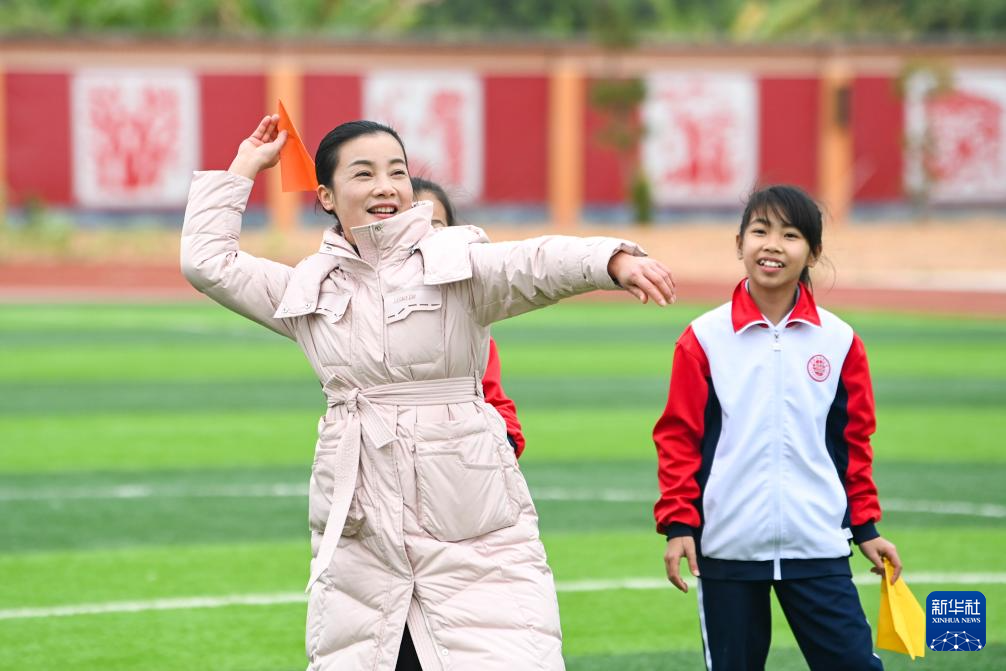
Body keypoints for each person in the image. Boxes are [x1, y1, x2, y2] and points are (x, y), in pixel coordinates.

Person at [181, 114, 675, 671]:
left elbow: (534, 263)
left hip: (471, 528)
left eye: (397, 172)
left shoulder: (457, 262)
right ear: (326, 196)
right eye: (363, 174)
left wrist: (611, 259)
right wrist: (245, 165)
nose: (386, 186)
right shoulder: (309, 288)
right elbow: (208, 263)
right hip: (363, 540)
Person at [653, 185, 902, 671]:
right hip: (728, 546)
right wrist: (679, 524)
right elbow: (679, 439)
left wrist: (865, 527)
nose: (772, 245)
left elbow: (852, 444)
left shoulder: (840, 341)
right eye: (760, 231)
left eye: (790, 235)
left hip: (818, 543)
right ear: (739, 242)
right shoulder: (703, 338)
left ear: (813, 251)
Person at [411, 175, 524, 456]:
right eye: (412, 224)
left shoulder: (467, 319)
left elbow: (498, 405)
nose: (425, 236)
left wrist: (499, 448)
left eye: (436, 226)